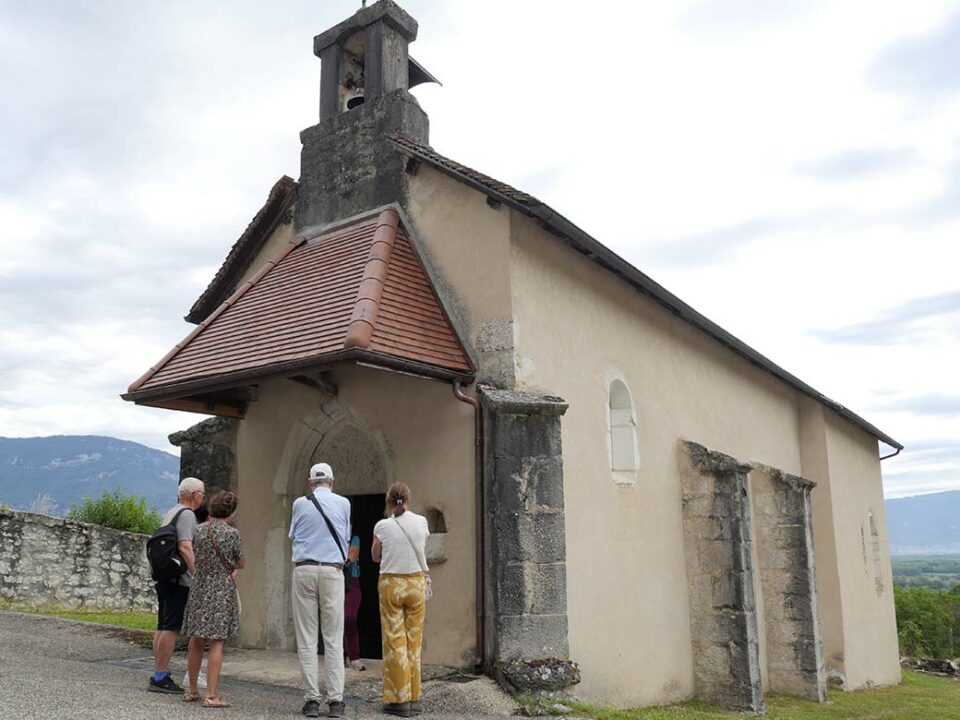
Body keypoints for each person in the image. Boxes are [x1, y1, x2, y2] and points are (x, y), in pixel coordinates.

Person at [289, 462, 351, 718]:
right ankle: (336, 701)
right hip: (332, 571)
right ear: (332, 482)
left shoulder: (299, 504)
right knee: (334, 639)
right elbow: (346, 536)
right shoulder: (344, 503)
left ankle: (312, 699)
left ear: (310, 482)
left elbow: (293, 535)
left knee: (307, 638)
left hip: (304, 568)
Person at [182, 491, 245, 708]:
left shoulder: (199, 530)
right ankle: (210, 695)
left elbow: (196, 554)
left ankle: (191, 690)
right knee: (217, 641)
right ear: (231, 512)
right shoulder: (232, 534)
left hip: (199, 586)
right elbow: (240, 561)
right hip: (220, 588)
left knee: (196, 638)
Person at [372, 482, 430, 718]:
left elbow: (375, 556)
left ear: (389, 501)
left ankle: (398, 700)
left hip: (391, 584)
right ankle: (414, 698)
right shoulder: (422, 522)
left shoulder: (382, 525)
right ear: (408, 499)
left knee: (394, 641)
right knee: (414, 641)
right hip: (416, 582)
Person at [149, 476, 205, 694]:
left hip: (164, 577)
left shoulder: (172, 512)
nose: (203, 497)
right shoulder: (188, 515)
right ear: (194, 495)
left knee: (163, 626)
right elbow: (185, 546)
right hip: (178, 580)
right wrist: (197, 575)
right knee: (172, 627)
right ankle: (160, 676)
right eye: (202, 493)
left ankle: (159, 672)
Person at [343, 534, 365, 671]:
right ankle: (341, 656)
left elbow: (352, 555)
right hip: (334, 579)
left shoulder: (354, 538)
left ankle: (354, 657)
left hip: (351, 581)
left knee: (349, 618)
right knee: (335, 620)